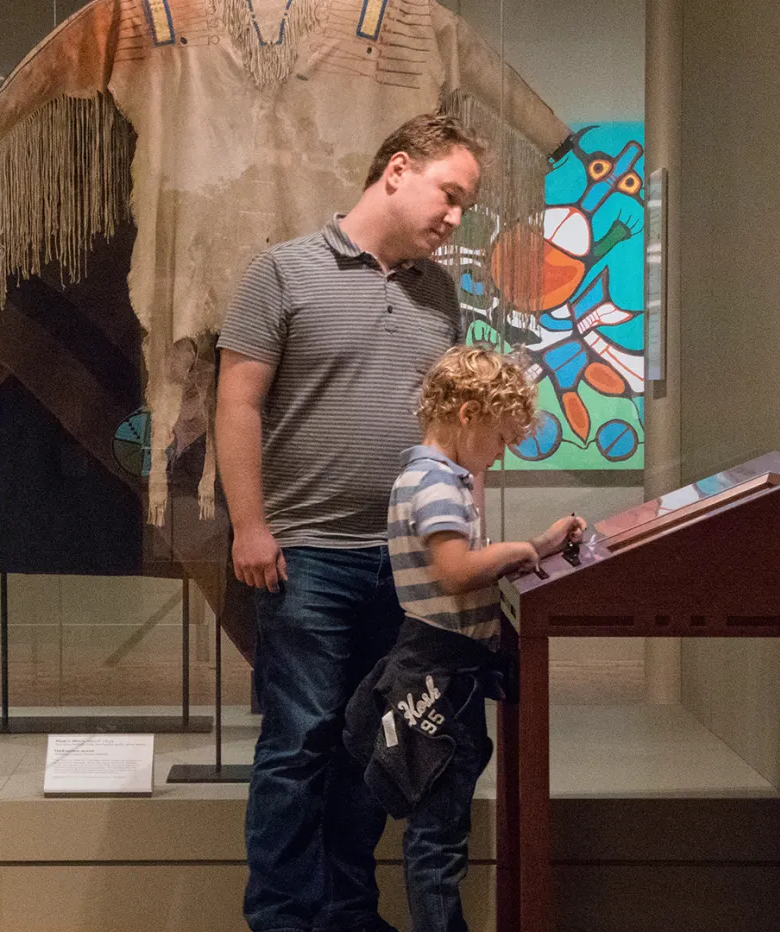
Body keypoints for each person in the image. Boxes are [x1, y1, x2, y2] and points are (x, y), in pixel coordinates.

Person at [216, 113, 486, 932]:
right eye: (451, 194)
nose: (454, 217)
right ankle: (282, 919)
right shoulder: (282, 273)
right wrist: (250, 526)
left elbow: (456, 420)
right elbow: (237, 402)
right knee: (297, 747)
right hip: (308, 559)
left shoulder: (439, 292)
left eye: (464, 204)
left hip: (406, 568)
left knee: (371, 746)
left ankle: (347, 914)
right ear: (397, 170)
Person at [343, 345, 584, 932]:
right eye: (500, 439)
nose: (499, 456)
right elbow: (455, 570)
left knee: (439, 831)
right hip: (439, 678)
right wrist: (519, 552)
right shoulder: (436, 484)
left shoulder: (425, 475)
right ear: (470, 414)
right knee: (437, 842)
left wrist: (544, 544)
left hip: (439, 668)